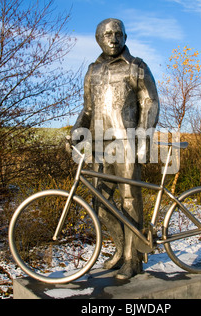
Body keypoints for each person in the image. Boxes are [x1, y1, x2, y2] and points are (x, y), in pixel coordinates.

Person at [71, 18, 159, 279]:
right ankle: (121, 251)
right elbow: (87, 110)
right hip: (99, 145)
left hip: (126, 142)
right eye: (107, 34)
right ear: (99, 38)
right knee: (100, 203)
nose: (113, 39)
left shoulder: (136, 67)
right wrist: (77, 131)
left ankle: (134, 259)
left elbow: (151, 102)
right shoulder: (93, 71)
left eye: (118, 34)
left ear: (125, 37)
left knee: (131, 200)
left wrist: (142, 141)